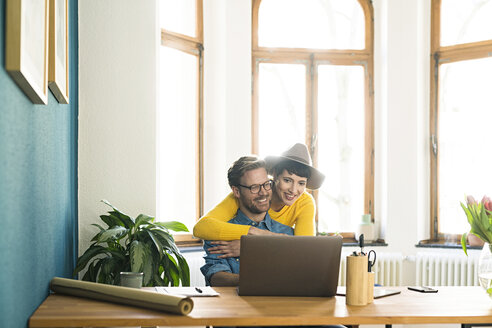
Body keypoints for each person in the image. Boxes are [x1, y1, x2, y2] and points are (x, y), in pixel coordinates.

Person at [193, 143, 325, 258]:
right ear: (274, 175)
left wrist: (250, 247)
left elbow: (304, 250)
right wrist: (255, 233)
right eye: (287, 180)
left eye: (301, 183)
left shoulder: (305, 202)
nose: (293, 190)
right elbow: (200, 228)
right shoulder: (250, 194)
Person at [200, 155, 294, 286]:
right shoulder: (217, 234)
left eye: (266, 185)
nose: (263, 193)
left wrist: (253, 248)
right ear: (237, 191)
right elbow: (215, 277)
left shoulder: (288, 233)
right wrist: (256, 281)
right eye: (254, 187)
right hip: (235, 305)